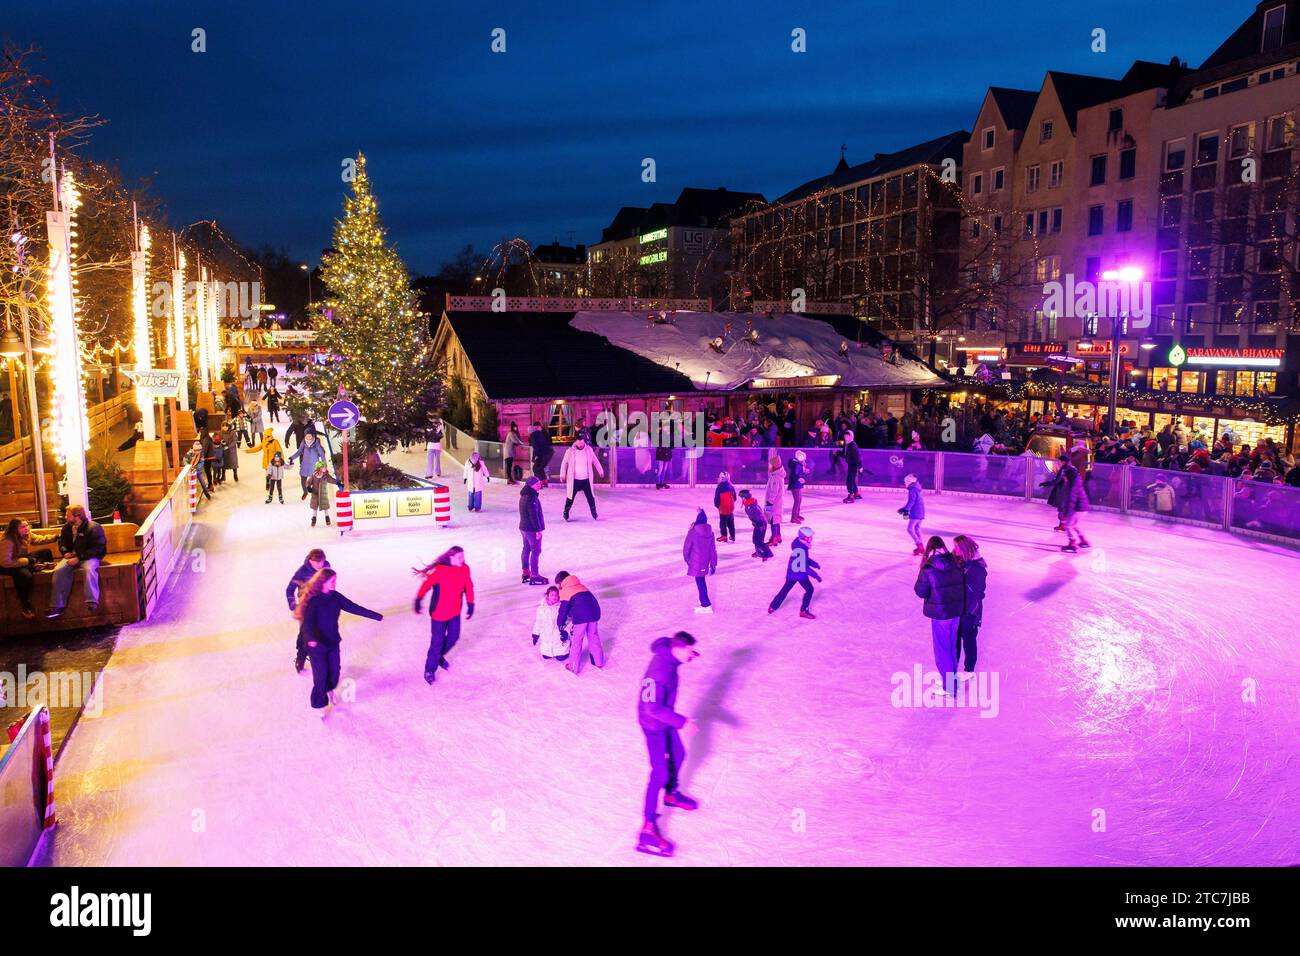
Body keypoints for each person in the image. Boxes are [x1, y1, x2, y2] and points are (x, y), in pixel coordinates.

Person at [636, 631, 701, 858]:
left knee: (679, 753)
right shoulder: (659, 672)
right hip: (653, 724)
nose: (692, 656)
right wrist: (682, 722)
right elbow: (651, 707)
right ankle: (647, 830)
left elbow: (670, 644)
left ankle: (671, 795)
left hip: (664, 717)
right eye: (690, 653)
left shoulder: (669, 653)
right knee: (659, 773)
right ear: (679, 649)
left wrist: (675, 720)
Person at [296, 568, 383, 718]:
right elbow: (307, 624)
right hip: (316, 646)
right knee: (320, 675)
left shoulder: (335, 597)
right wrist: (310, 639)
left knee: (335, 671)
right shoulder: (314, 601)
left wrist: (375, 616)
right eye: (332, 581)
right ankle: (320, 704)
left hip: (332, 641)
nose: (335, 583)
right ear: (323, 582)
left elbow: (353, 607)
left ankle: (329, 688)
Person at [413, 546, 475, 684]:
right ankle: (429, 670)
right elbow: (427, 584)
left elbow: (468, 586)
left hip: (454, 611)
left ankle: (439, 656)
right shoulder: (441, 570)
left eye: (463, 557)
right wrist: (418, 599)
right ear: (451, 558)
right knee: (437, 642)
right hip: (439, 613)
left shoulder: (465, 569)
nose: (463, 560)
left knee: (454, 637)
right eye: (460, 557)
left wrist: (471, 603)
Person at [913, 536, 965, 696]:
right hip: (956, 612)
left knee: (942, 649)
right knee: (950, 646)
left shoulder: (929, 568)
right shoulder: (955, 562)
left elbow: (920, 591)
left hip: (941, 615)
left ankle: (949, 687)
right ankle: (951, 681)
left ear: (930, 549)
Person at [47, 505, 107, 618]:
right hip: (72, 557)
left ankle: (92, 601)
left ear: (77, 516)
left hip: (89, 556)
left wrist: (79, 558)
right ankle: (57, 605)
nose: (65, 517)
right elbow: (62, 543)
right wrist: (65, 552)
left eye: (67, 515)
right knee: (59, 570)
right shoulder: (67, 528)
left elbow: (98, 548)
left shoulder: (93, 527)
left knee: (88, 569)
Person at [1, 518, 55, 619]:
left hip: (22, 560)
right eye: (23, 527)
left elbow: (39, 539)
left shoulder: (26, 535)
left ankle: (35, 566)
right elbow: (5, 562)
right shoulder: (7, 540)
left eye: (27, 525)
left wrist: (56, 537)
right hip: (8, 565)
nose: (27, 528)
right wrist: (27, 561)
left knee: (46, 552)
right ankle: (25, 602)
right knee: (25, 576)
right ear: (15, 529)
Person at [286, 548, 329, 672]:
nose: (320, 565)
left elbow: (329, 582)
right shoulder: (302, 572)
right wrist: (293, 605)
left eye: (322, 562)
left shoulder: (326, 566)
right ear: (310, 560)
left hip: (321, 605)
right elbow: (289, 589)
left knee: (322, 631)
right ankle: (301, 657)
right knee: (306, 633)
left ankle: (321, 655)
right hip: (306, 607)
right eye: (317, 563)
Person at [555, 570, 603, 675]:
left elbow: (563, 610)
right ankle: (598, 661)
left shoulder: (565, 590)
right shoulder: (581, 586)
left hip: (581, 617)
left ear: (561, 582)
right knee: (593, 636)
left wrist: (559, 623)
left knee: (577, 641)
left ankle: (573, 667)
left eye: (558, 584)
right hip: (594, 613)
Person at [952, 534, 986, 680]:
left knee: (969, 639)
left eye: (957, 547)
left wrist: (970, 613)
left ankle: (969, 670)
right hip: (959, 608)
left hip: (970, 611)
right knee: (956, 638)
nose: (954, 550)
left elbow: (979, 595)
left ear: (965, 549)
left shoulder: (977, 569)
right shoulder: (960, 562)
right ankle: (953, 667)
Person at [767, 525, 820, 619]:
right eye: (810, 537)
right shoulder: (801, 549)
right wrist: (815, 575)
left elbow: (804, 560)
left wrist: (814, 564)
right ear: (805, 537)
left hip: (792, 572)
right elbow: (804, 567)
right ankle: (804, 611)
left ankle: (773, 606)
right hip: (799, 574)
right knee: (809, 589)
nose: (812, 538)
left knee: (785, 589)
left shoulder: (799, 544)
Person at [682, 508, 718, 615]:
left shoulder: (693, 532)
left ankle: (706, 605)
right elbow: (713, 550)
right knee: (701, 580)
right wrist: (713, 564)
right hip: (705, 562)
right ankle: (702, 599)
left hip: (695, 562)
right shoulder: (710, 533)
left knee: (700, 582)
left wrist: (689, 561)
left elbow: (686, 549)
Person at [559, 436, 603, 521]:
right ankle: (566, 512)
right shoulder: (570, 451)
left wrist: (600, 470)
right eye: (579, 442)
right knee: (570, 497)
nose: (580, 444)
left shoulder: (589, 450)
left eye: (582, 442)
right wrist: (562, 475)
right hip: (574, 479)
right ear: (575, 442)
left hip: (586, 479)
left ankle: (594, 512)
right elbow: (564, 463)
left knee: (590, 497)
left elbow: (595, 460)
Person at [518, 476, 547, 585]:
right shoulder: (531, 497)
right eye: (537, 484)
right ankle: (534, 575)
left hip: (523, 528)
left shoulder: (524, 495)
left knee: (526, 548)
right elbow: (533, 516)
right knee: (536, 550)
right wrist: (538, 531)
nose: (539, 485)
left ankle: (525, 571)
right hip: (531, 529)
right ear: (531, 485)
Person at [1058, 461, 1091, 553]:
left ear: (1069, 476)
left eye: (1065, 477)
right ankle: (1083, 541)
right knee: (1074, 525)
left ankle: (1073, 543)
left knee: (1068, 525)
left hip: (1079, 508)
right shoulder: (1074, 482)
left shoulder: (1073, 486)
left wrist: (1066, 514)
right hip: (1082, 507)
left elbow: (1071, 500)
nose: (1064, 478)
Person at [530, 586, 569, 662]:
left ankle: (565, 649)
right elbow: (538, 622)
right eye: (552, 595)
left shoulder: (561, 607)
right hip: (546, 638)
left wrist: (566, 632)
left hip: (559, 638)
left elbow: (568, 621)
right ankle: (548, 651)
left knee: (560, 658)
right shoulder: (541, 609)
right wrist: (535, 634)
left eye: (556, 595)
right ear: (547, 595)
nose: (554, 597)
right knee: (546, 656)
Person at [288, 430, 327, 500]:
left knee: (315, 480)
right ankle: (305, 492)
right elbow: (299, 451)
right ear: (305, 436)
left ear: (313, 436)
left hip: (314, 464)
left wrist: (324, 465)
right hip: (305, 464)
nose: (308, 438)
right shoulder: (303, 442)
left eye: (310, 436)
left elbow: (322, 454)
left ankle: (316, 494)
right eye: (307, 436)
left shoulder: (316, 443)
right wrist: (291, 458)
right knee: (303, 479)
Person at [306, 459, 340, 528]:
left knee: (325, 506)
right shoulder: (314, 475)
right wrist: (308, 488)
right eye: (322, 467)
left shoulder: (325, 476)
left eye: (324, 467)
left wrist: (337, 482)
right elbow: (308, 482)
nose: (324, 468)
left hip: (323, 494)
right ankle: (314, 519)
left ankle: (327, 518)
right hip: (315, 494)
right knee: (314, 507)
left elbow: (331, 479)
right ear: (318, 468)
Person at [898, 474, 926, 556]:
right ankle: (921, 547)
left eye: (905, 481)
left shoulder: (912, 489)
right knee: (917, 528)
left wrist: (906, 509)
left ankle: (919, 545)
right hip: (921, 511)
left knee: (910, 529)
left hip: (916, 512)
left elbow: (911, 501)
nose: (904, 483)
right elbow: (914, 501)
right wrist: (904, 508)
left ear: (909, 481)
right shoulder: (917, 488)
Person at [741, 489, 772, 561]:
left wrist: (759, 524)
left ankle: (766, 554)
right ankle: (759, 552)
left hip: (760, 524)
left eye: (742, 497)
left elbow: (759, 515)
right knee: (755, 539)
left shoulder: (751, 506)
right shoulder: (750, 504)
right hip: (758, 523)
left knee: (759, 540)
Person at [764, 450, 785, 546]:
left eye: (770, 465)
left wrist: (769, 502)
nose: (768, 467)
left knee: (773, 520)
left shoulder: (775, 477)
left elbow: (774, 492)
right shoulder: (776, 475)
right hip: (775, 502)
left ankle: (774, 538)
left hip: (773, 503)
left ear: (774, 466)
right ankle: (778, 536)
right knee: (776, 520)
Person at [713, 471, 737, 543]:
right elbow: (735, 498)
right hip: (730, 508)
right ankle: (732, 536)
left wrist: (717, 505)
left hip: (723, 509)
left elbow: (717, 499)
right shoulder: (731, 487)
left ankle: (724, 536)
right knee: (731, 523)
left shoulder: (719, 487)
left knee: (723, 523)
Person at [529, 422, 554, 486]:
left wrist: (536, 456)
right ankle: (544, 481)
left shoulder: (535, 435)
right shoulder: (541, 433)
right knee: (539, 468)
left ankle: (539, 482)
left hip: (545, 453)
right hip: (545, 453)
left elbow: (536, 446)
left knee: (537, 468)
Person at [786, 449, 807, 523]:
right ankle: (793, 518)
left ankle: (797, 515)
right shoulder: (796, 464)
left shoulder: (797, 464)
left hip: (797, 484)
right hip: (795, 485)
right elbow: (794, 475)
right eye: (804, 459)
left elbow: (798, 473)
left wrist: (804, 471)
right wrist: (799, 479)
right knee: (797, 501)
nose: (805, 460)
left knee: (799, 500)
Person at [842, 431, 863, 503]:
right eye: (845, 436)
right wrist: (838, 453)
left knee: (849, 480)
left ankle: (850, 495)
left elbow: (858, 456)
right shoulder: (847, 444)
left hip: (854, 464)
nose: (846, 437)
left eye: (847, 436)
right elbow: (844, 454)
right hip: (850, 464)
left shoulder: (853, 445)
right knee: (852, 479)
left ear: (851, 436)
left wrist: (860, 466)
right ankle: (856, 493)